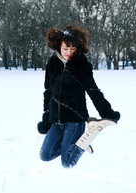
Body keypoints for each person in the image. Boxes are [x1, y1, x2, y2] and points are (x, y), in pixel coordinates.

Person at [37, 23, 120, 168]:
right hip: (56, 120)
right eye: (65, 48)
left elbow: (93, 90)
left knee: (67, 162)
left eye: (72, 49)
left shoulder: (81, 65)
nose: (69, 52)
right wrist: (46, 118)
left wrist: (107, 113)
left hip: (75, 120)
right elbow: (47, 92)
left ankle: (84, 140)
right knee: (45, 155)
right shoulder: (53, 63)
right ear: (59, 46)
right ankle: (80, 145)